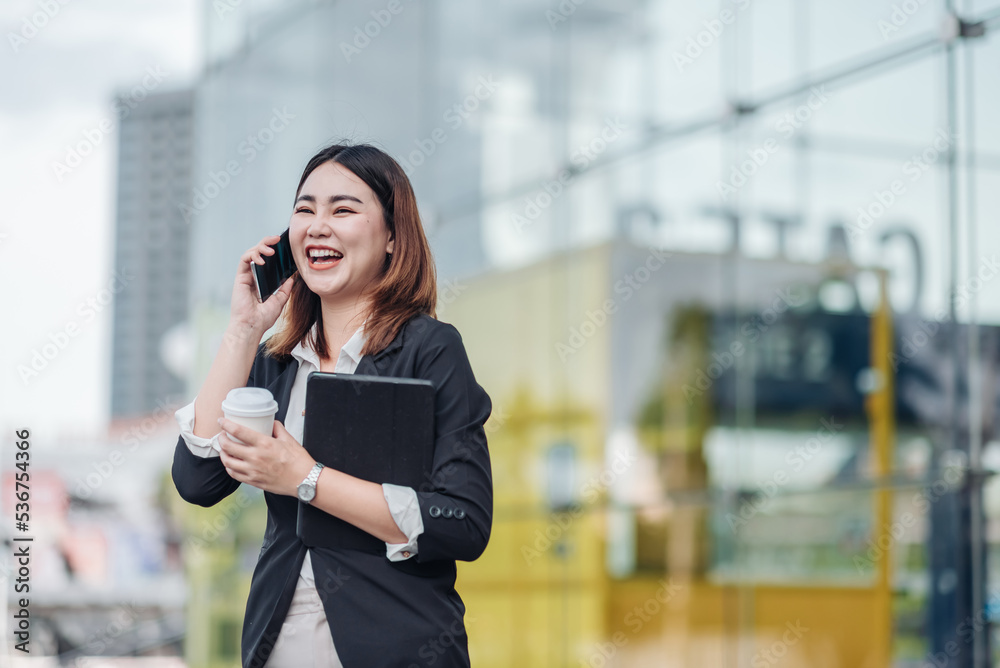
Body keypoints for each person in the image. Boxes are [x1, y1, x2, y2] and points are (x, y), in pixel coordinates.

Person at [171, 142, 493, 668]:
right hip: (280, 647)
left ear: (392, 237)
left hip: (399, 650)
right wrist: (244, 330)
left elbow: (463, 521)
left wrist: (306, 477)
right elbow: (197, 481)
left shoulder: (429, 349)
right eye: (305, 209)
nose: (318, 225)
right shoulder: (277, 361)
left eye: (343, 209)